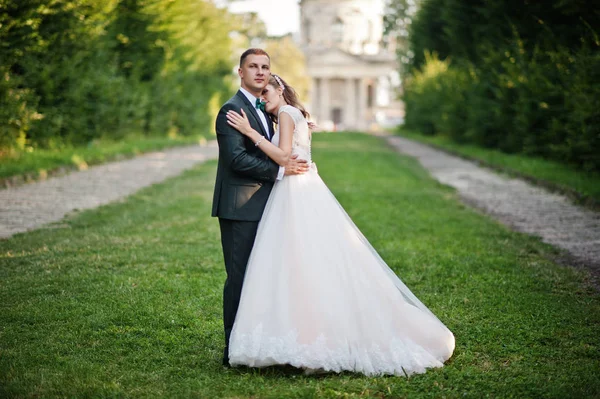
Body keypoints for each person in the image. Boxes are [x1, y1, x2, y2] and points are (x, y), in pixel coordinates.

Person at [224, 74, 455, 376]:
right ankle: (306, 333)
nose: (263, 97)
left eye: (267, 91)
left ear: (280, 90)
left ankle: (308, 336)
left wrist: (249, 132)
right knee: (306, 260)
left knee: (296, 260)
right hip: (302, 187)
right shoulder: (293, 114)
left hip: (294, 191)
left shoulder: (284, 114)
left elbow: (282, 156)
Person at [211, 48, 310, 367]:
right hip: (240, 207)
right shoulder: (231, 109)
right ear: (240, 72)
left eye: (265, 67)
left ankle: (263, 342)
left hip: (271, 205)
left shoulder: (270, 109)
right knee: (240, 279)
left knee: (267, 277)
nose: (259, 72)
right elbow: (235, 160)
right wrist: (280, 171)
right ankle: (232, 350)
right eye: (252, 66)